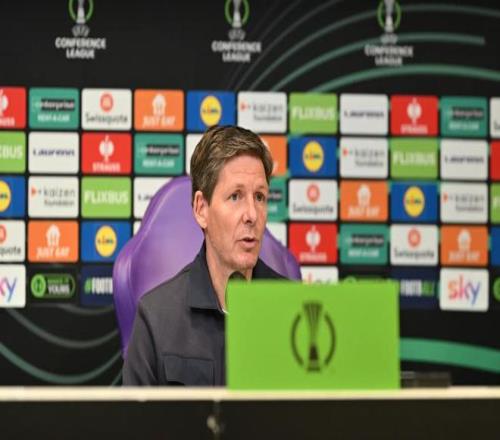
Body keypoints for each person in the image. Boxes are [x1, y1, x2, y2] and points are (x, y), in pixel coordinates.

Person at [122, 125, 283, 386]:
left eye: (260, 197)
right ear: (201, 209)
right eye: (235, 196)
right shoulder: (156, 318)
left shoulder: (291, 309)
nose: (252, 215)